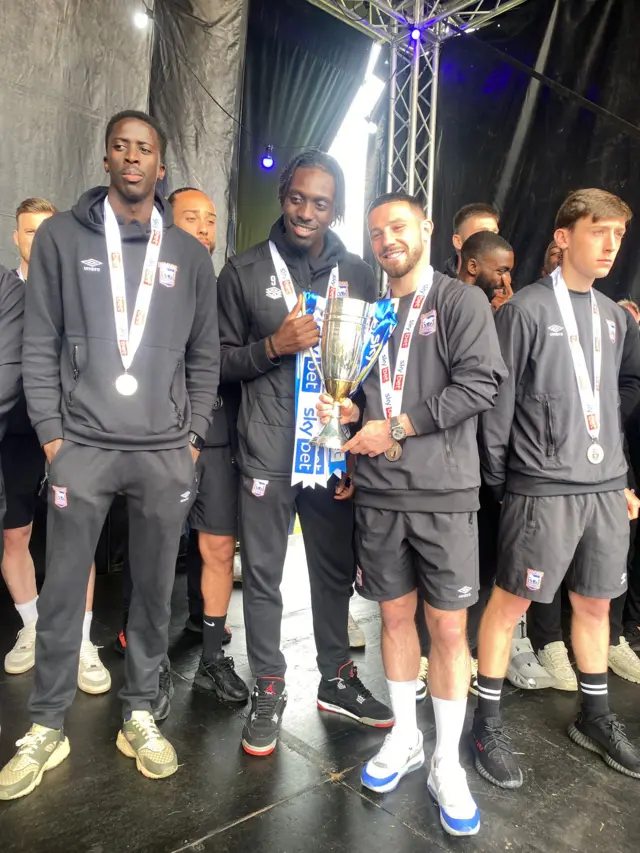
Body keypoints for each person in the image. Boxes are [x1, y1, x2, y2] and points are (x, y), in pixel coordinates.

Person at [0, 109, 219, 800]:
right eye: (121, 147)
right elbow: (38, 345)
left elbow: (204, 354)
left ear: (161, 164)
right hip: (83, 448)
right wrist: (53, 438)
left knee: (155, 592)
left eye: (145, 148)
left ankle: (140, 713)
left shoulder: (187, 253)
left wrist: (191, 436)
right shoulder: (64, 237)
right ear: (105, 160)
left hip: (162, 451)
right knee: (64, 589)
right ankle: (45, 726)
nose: (133, 157)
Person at [318, 191, 506, 836]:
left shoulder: (460, 301)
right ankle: (405, 740)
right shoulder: (368, 317)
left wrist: (394, 423)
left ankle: (447, 763)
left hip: (444, 496)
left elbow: (480, 383)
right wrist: (348, 416)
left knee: (449, 632)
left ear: (426, 229)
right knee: (395, 620)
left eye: (398, 226)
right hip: (379, 494)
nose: (386, 240)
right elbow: (365, 396)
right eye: (376, 233)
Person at [218, 149, 392, 757]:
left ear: (334, 208)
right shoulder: (241, 271)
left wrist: (357, 430)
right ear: (282, 196)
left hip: (329, 454)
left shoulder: (362, 277)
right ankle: (269, 686)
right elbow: (215, 362)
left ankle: (337, 679)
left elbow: (371, 371)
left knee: (333, 573)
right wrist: (272, 345)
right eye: (297, 198)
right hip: (266, 453)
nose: (306, 212)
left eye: (320, 203)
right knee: (263, 576)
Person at [474, 188, 640, 789]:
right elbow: (498, 405)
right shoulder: (523, 311)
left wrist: (621, 478)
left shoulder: (616, 318)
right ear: (565, 237)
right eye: (600, 232)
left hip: (602, 486)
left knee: (596, 605)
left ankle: (595, 717)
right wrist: (503, 484)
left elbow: (609, 407)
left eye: (619, 237)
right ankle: (486, 721)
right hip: (541, 487)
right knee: (511, 603)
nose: (611, 246)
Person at [3, 198, 110, 696]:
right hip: (18, 437)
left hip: (72, 433)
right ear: (16, 238)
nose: (39, 240)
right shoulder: (5, 292)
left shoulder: (79, 291)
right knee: (15, 537)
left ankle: (82, 642)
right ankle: (32, 627)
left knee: (77, 537)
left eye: (47, 232)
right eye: (30, 232)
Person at [167, 186, 247, 702]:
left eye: (211, 219)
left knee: (216, 546)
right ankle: (146, 654)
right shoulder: (147, 284)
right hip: (155, 437)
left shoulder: (227, 286)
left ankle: (213, 656)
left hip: (215, 436)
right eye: (191, 217)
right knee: (150, 550)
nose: (203, 228)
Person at [442, 203, 500, 278]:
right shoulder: (440, 288)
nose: (492, 239)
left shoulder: (503, 285)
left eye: (495, 234)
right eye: (483, 233)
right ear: (458, 242)